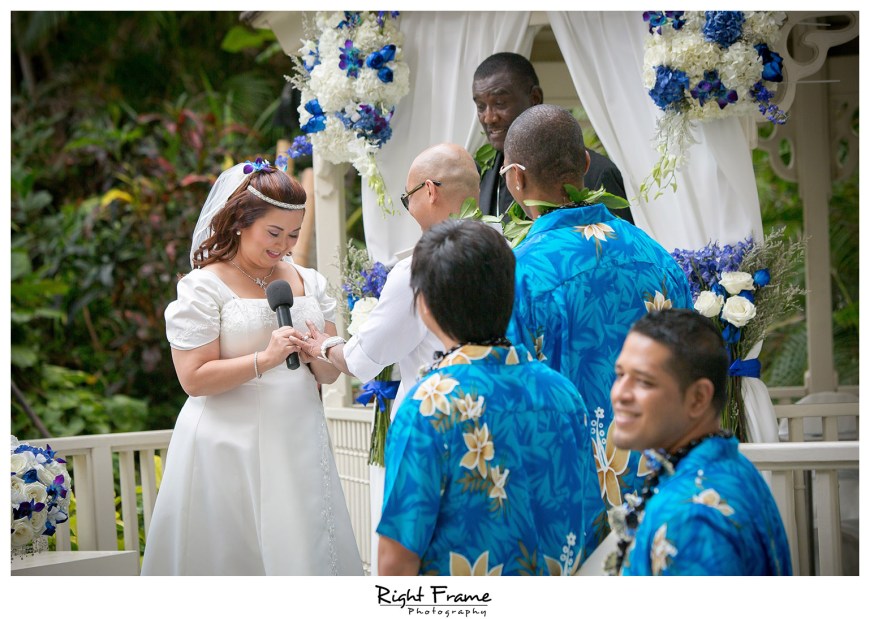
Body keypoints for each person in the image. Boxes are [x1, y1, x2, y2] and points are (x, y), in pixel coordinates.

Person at [141, 160, 362, 576]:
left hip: (297, 437)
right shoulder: (204, 285)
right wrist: (266, 358)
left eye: (294, 234)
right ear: (242, 222)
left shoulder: (308, 281)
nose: (284, 245)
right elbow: (193, 378)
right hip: (226, 444)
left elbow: (329, 376)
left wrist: (319, 353)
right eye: (273, 233)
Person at [291, 142, 481, 574]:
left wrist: (323, 345)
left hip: (431, 418)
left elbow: (361, 361)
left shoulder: (417, 268)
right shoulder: (506, 250)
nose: (408, 206)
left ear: (429, 191)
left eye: (407, 196)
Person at [375, 219, 604, 575]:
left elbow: (396, 558)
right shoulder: (563, 392)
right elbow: (589, 518)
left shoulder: (429, 405)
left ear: (425, 307)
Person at [503, 104, 693, 519]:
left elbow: (512, 401)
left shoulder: (520, 275)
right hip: (664, 495)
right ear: (586, 164)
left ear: (516, 177)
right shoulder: (657, 257)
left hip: (568, 499)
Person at [608, 309, 792, 575]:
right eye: (620, 374)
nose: (619, 394)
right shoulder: (730, 465)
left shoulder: (692, 519)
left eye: (644, 382)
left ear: (698, 398)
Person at [472, 52, 633, 223]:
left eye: (499, 103)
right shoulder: (481, 175)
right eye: (481, 106)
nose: (488, 118)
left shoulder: (598, 172)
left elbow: (618, 246)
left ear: (535, 98)